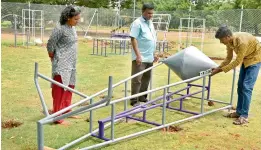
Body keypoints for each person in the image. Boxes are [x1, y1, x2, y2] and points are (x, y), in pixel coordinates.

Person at [211, 26, 261, 125]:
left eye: (221, 40)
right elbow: (228, 58)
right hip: (246, 60)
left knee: (247, 87)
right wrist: (218, 67)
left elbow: (237, 61)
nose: (221, 42)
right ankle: (238, 112)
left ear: (227, 36)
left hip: (255, 59)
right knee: (240, 86)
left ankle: (244, 116)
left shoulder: (242, 42)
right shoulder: (229, 42)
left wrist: (220, 70)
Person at [46, 5, 81, 125]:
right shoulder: (59, 28)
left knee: (70, 86)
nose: (78, 21)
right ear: (68, 18)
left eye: (78, 19)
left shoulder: (72, 27)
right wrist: (53, 56)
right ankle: (57, 116)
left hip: (72, 63)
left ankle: (66, 110)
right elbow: (50, 43)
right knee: (60, 89)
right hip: (61, 64)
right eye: (76, 19)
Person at [129, 3, 159, 107]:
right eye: (149, 13)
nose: (151, 15)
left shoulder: (150, 23)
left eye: (152, 13)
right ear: (143, 12)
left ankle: (142, 97)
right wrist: (138, 55)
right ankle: (134, 100)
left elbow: (152, 39)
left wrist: (154, 53)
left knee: (146, 78)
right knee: (137, 79)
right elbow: (133, 39)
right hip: (140, 57)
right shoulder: (137, 23)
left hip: (149, 57)